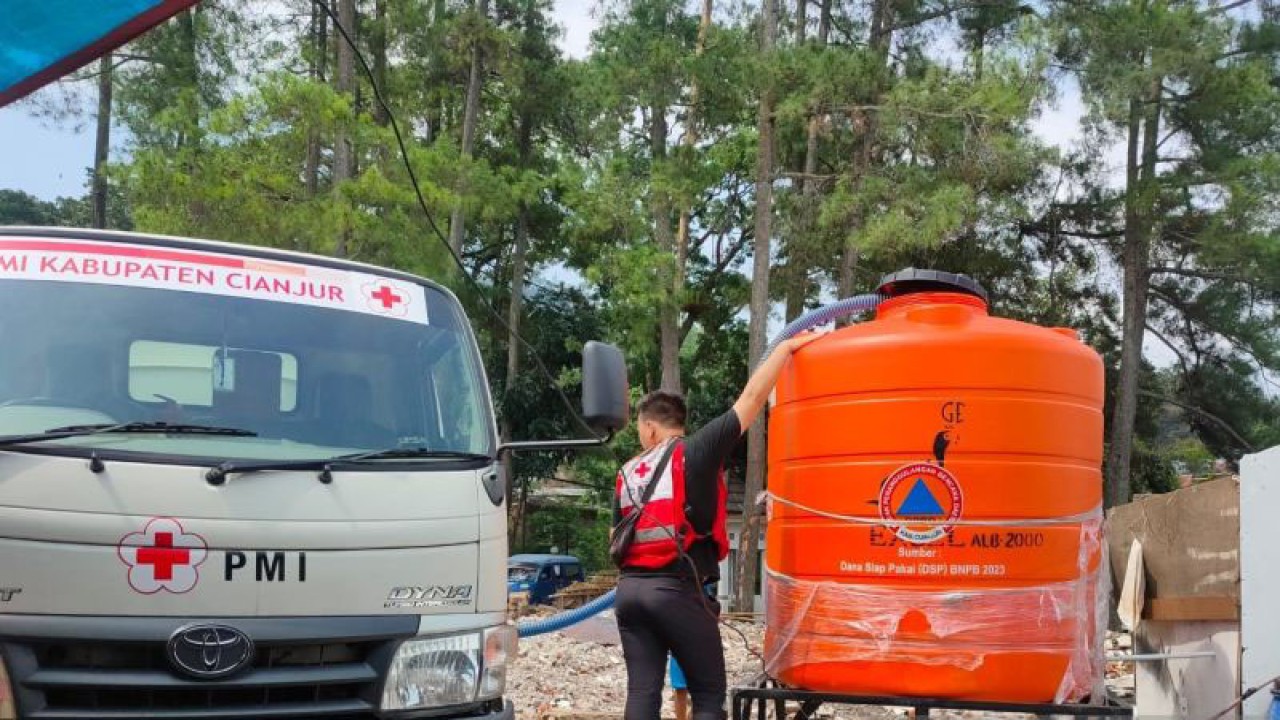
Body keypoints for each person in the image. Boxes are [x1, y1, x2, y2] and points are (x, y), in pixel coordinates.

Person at [612, 333, 823, 720]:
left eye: (640, 429)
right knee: (708, 695)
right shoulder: (696, 451)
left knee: (642, 692)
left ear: (651, 428)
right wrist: (786, 348)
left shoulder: (626, 472)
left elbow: (616, 538)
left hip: (629, 595)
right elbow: (751, 400)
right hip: (676, 592)